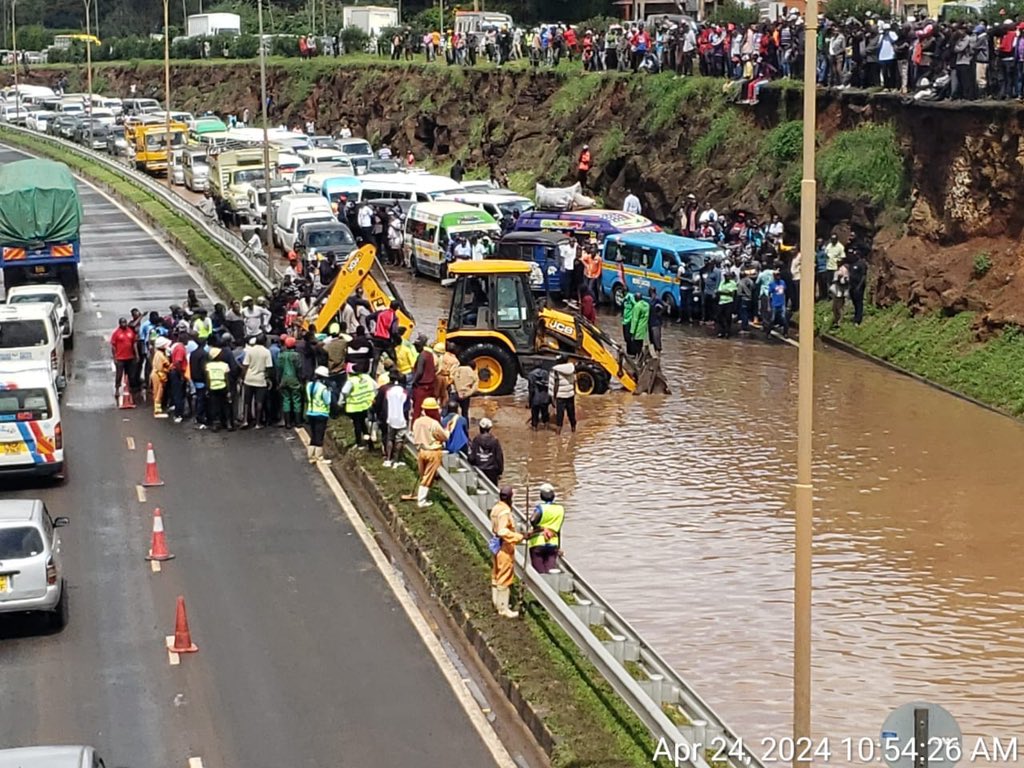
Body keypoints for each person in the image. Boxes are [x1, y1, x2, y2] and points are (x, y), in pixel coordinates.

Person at [406, 396, 448, 508]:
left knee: (423, 475)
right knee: (428, 477)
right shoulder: (434, 423)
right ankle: (421, 501)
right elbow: (444, 436)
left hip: (421, 451)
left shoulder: (417, 421)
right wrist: (448, 431)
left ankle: (422, 496)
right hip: (433, 452)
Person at [490, 486, 524, 619]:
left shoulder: (496, 508)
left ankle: (496, 602)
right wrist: (519, 537)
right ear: (510, 498)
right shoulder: (505, 511)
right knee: (504, 575)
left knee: (496, 574)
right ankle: (503, 608)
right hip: (504, 547)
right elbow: (502, 531)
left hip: (496, 545)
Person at [528, 482, 565, 574]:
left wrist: (540, 528)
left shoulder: (540, 508)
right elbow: (558, 529)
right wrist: (559, 547)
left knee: (539, 573)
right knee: (550, 572)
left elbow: (532, 520)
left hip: (537, 543)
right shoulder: (560, 509)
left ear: (541, 496)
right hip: (553, 543)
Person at [241, 336, 272, 429]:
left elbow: (245, 365)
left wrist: (243, 377)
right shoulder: (266, 352)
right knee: (259, 401)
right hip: (260, 379)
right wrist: (268, 378)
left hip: (249, 378)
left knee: (247, 401)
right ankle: (258, 423)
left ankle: (245, 420)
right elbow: (269, 367)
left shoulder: (250, 351)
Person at [341, 369, 378, 448]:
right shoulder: (366, 377)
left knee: (357, 424)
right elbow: (376, 386)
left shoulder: (351, 381)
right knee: (363, 423)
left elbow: (344, 391)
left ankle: (359, 443)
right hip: (366, 404)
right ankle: (368, 440)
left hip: (355, 406)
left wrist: (342, 401)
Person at [305, 366, 334, 464]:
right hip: (321, 414)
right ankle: (319, 457)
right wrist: (329, 392)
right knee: (319, 435)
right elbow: (327, 401)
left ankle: (311, 456)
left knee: (313, 435)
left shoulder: (309, 385)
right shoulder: (323, 388)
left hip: (311, 412)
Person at [380, 372, 409, 468]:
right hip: (401, 419)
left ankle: (388, 459)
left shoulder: (389, 391)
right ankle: (396, 461)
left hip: (391, 418)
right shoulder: (404, 392)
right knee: (399, 440)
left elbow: (386, 404)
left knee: (390, 438)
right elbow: (406, 407)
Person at [276, 335, 304, 428]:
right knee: (296, 400)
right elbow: (299, 369)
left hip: (284, 379)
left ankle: (287, 423)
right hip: (294, 379)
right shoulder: (296, 355)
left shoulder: (281, 355)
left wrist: (278, 381)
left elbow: (279, 369)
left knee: (286, 400)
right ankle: (298, 422)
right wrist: (301, 381)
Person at [205, 340, 232, 432]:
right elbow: (227, 379)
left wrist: (207, 389)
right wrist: (229, 390)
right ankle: (228, 423)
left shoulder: (208, 366)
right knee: (226, 405)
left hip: (212, 387)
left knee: (214, 406)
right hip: (223, 387)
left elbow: (208, 378)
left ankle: (216, 424)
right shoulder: (224, 365)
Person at [110, 316, 139, 403]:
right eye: (122, 323)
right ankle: (117, 389)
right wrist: (114, 357)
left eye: (125, 322)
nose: (124, 324)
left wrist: (136, 355)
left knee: (131, 375)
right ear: (120, 324)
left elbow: (134, 344)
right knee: (119, 375)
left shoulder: (130, 331)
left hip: (130, 357)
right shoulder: (116, 333)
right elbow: (113, 346)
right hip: (120, 358)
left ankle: (129, 389)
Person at [468, 417, 504, 485]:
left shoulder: (476, 440)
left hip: (479, 470)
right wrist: (500, 472)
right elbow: (499, 458)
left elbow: (472, 457)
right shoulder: (495, 441)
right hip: (492, 472)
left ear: (480, 428)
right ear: (490, 428)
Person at [410, 335, 437, 418]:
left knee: (417, 410)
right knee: (430, 409)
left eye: (416, 346)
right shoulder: (430, 354)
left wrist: (413, 382)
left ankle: (415, 425)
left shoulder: (422, 356)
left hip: (422, 387)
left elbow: (419, 372)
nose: (415, 348)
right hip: (431, 386)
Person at [549, 356, 577, 434]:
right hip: (570, 395)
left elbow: (556, 384)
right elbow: (575, 381)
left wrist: (553, 397)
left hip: (560, 396)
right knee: (571, 413)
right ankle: (573, 430)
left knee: (560, 415)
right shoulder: (572, 368)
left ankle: (558, 434)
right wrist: (574, 391)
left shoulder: (555, 370)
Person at [150, 336, 172, 418]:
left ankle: (158, 409)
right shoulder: (160, 355)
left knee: (158, 392)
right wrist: (169, 368)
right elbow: (161, 368)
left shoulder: (159, 353)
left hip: (158, 374)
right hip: (158, 375)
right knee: (158, 393)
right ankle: (157, 411)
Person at [765, 270, 789, 339]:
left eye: (779, 275)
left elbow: (784, 292)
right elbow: (769, 295)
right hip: (775, 304)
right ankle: (768, 332)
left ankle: (785, 333)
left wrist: (785, 303)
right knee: (772, 319)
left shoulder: (782, 282)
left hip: (782, 303)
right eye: (776, 275)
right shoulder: (772, 284)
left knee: (784, 318)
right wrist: (769, 305)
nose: (778, 276)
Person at [716, 269, 738, 339]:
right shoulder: (722, 282)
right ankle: (722, 330)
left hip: (729, 301)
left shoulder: (733, 283)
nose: (726, 277)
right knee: (719, 316)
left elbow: (731, 293)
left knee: (728, 317)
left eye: (727, 276)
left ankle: (727, 332)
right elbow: (719, 290)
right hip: (721, 301)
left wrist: (723, 292)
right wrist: (725, 291)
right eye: (725, 276)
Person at [849, 249, 868, 325]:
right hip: (852, 286)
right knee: (854, 302)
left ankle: (858, 319)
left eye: (855, 255)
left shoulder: (862, 264)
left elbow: (863, 276)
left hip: (858, 287)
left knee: (859, 302)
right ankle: (855, 315)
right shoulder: (852, 264)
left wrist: (859, 286)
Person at [831, 259, 851, 328]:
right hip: (836, 292)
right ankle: (836, 320)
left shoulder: (844, 269)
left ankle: (840, 321)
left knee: (839, 308)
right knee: (834, 308)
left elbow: (845, 281)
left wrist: (840, 279)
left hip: (841, 292)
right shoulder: (837, 270)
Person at [629, 290, 649, 357]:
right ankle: (641, 357)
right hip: (644, 329)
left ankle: (639, 358)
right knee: (641, 344)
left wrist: (632, 331)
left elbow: (635, 320)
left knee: (637, 346)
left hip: (638, 329)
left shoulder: (637, 306)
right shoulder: (647, 305)